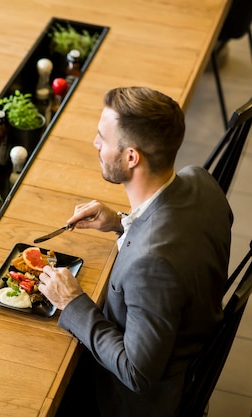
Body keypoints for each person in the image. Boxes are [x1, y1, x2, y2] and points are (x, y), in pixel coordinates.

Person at [38, 87, 233, 416]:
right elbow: (175, 234)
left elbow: (137, 373)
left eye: (103, 137)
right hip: (185, 343)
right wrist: (121, 223)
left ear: (131, 157)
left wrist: (72, 303)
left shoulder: (151, 264)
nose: (96, 144)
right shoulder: (199, 181)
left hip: (134, 401)